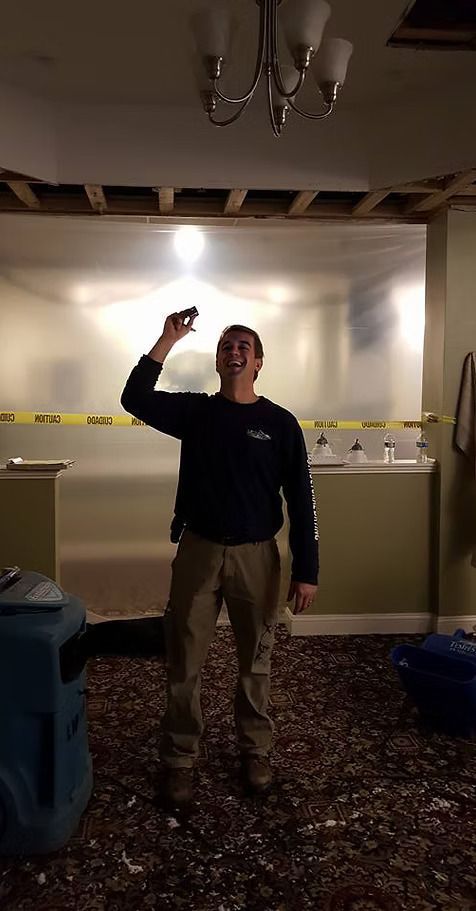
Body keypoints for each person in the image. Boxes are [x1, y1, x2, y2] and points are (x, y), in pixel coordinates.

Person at [121, 310, 319, 808]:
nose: (234, 352)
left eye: (244, 347)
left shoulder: (279, 424)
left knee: (256, 660)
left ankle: (255, 750)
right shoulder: (198, 414)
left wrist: (307, 570)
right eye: (227, 346)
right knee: (184, 658)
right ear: (217, 360)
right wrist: (166, 339)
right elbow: (134, 399)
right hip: (199, 552)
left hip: (259, 557)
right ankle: (180, 758)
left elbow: (302, 499)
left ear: (258, 364)